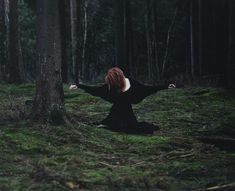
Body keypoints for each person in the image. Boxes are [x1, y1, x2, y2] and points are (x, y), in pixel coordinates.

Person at [69, 67, 176, 134]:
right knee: (114, 125)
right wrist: (78, 85)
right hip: (115, 112)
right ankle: (108, 123)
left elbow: (148, 89)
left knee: (130, 129)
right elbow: (96, 90)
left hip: (127, 114)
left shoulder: (132, 84)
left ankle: (111, 124)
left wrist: (166, 86)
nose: (110, 85)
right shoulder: (112, 86)